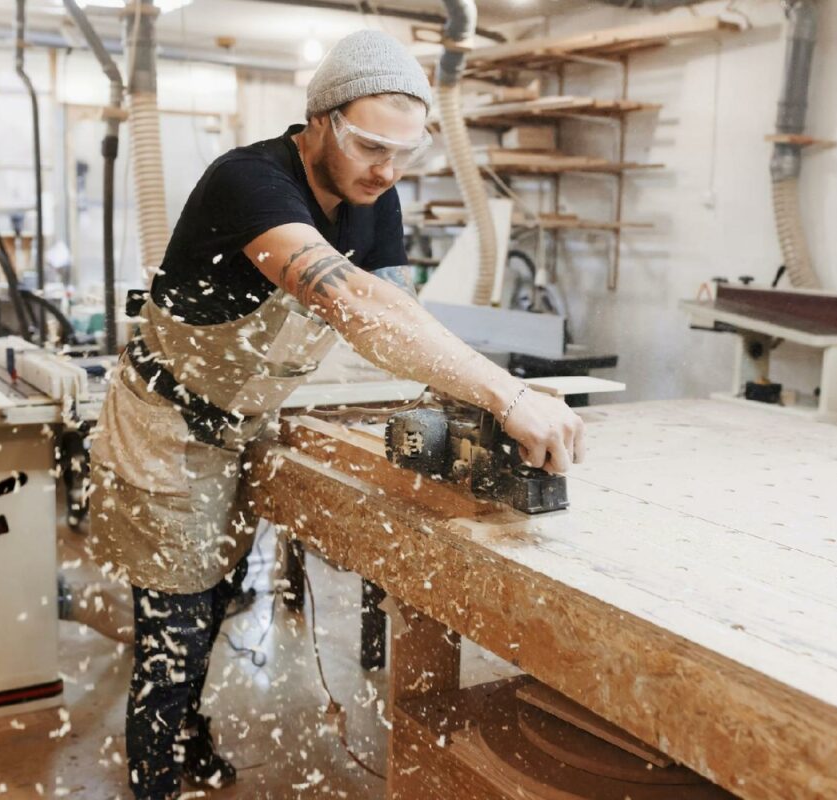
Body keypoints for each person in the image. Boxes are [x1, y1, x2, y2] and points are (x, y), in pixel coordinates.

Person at [87, 29, 586, 800]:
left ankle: (190, 734)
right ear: (318, 120)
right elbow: (352, 303)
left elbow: (396, 315)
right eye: (368, 149)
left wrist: (470, 402)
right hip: (166, 427)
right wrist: (508, 395)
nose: (386, 173)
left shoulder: (371, 196)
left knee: (218, 599)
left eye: (403, 156)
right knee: (171, 633)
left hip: (245, 424)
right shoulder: (248, 181)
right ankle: (153, 778)